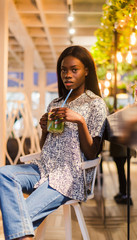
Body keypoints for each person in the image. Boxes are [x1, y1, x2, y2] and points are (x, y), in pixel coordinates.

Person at [0, 45, 107, 240]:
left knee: (18, 215)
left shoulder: (95, 104)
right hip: (44, 169)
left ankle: (21, 234)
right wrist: (44, 129)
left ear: (86, 71)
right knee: (3, 175)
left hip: (71, 176)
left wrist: (79, 120)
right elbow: (46, 147)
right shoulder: (56, 104)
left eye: (74, 70)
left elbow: (92, 153)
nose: (68, 74)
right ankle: (23, 235)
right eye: (64, 70)